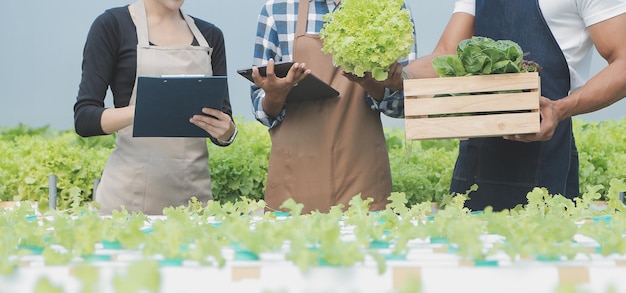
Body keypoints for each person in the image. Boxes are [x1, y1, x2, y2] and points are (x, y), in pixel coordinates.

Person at [402, 0, 626, 211]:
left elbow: (623, 62)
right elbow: (446, 55)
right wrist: (394, 75)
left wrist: (560, 109)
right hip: (477, 159)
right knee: (467, 249)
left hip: (545, 153)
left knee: (540, 249)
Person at [248, 0, 417, 214]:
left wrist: (374, 84)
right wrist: (274, 95)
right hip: (294, 178)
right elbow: (262, 110)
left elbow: (403, 105)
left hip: (360, 177)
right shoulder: (277, 9)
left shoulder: (390, 7)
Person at [74, 0, 237, 215]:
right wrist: (148, 107)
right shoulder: (112, 25)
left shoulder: (210, 36)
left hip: (194, 200)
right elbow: (85, 119)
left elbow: (223, 122)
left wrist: (227, 132)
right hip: (127, 202)